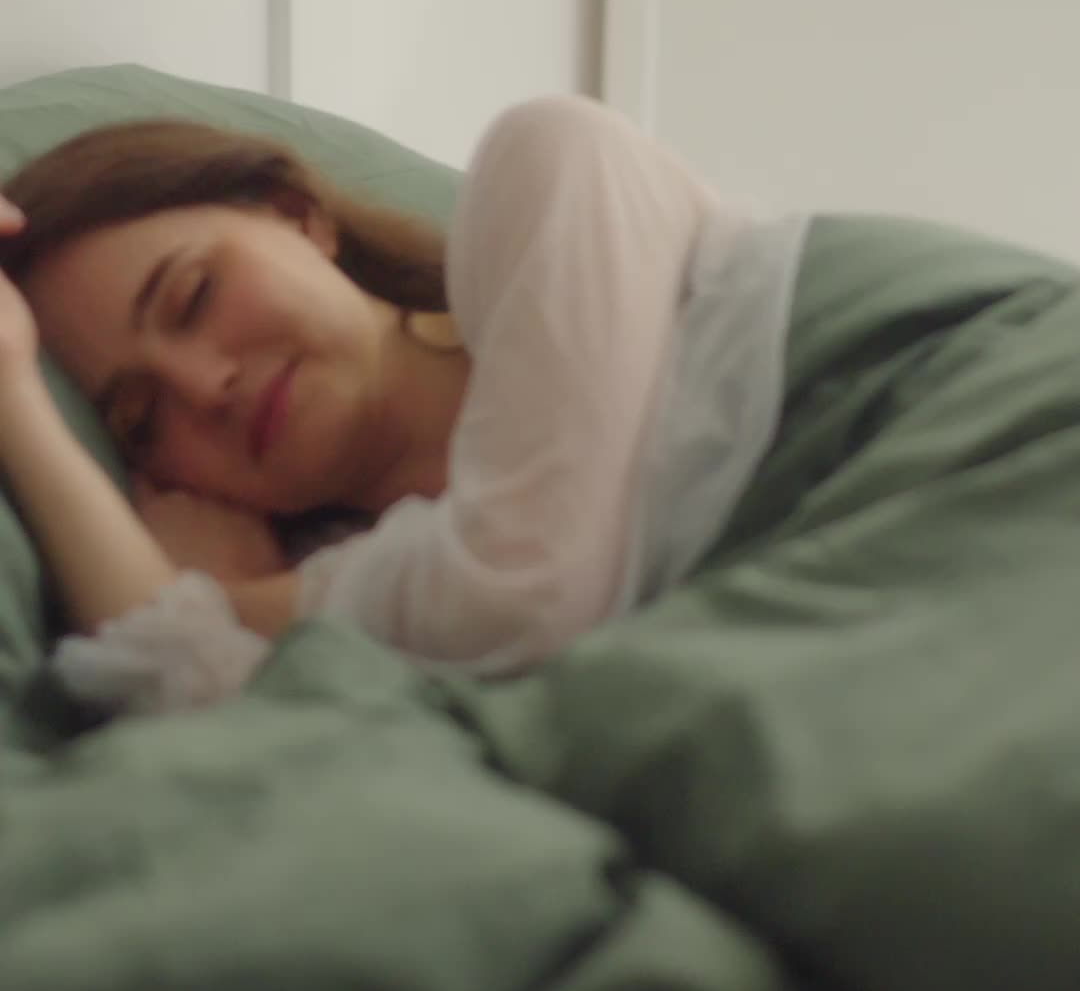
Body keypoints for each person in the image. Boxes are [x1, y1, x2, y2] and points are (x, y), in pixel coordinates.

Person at [0, 95, 806, 714]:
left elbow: (528, 590)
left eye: (192, 297)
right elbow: (236, 757)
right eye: (141, 422)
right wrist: (14, 394)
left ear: (295, 215)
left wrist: (227, 600)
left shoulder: (546, 171)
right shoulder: (358, 590)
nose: (204, 387)